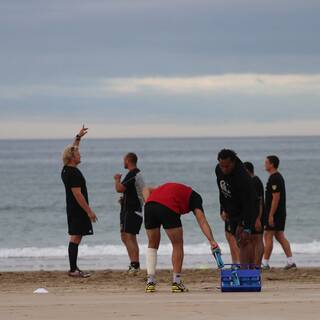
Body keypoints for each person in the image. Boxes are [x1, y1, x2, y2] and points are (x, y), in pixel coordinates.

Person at [143, 182, 219, 293]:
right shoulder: (196, 198)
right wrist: (212, 240)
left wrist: (148, 202)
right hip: (168, 206)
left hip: (150, 206)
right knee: (177, 244)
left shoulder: (171, 189)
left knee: (152, 244)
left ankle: (150, 282)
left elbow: (146, 189)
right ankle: (176, 283)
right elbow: (202, 221)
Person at [61, 126, 97, 277]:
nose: (80, 155)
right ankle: (73, 270)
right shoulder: (73, 173)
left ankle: (74, 268)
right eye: (78, 154)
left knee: (76, 236)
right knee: (75, 237)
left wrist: (78, 137)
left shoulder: (65, 169)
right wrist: (89, 211)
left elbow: (72, 148)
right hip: (77, 209)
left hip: (73, 208)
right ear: (72, 157)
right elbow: (77, 194)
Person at [215, 149, 258, 266]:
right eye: (221, 165)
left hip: (247, 208)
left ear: (233, 162)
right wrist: (223, 208)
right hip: (231, 209)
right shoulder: (218, 169)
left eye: (227, 166)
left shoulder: (242, 177)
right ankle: (246, 268)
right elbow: (222, 190)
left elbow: (249, 203)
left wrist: (245, 225)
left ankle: (247, 270)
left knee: (244, 238)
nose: (224, 169)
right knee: (237, 239)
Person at [262, 155, 296, 270]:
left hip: (275, 213)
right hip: (278, 213)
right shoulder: (275, 177)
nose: (265, 164)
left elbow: (276, 198)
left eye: (266, 162)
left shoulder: (275, 178)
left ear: (272, 164)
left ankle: (265, 263)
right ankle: (290, 261)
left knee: (268, 235)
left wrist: (271, 215)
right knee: (279, 236)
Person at [114, 153, 145, 274]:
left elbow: (119, 188)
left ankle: (135, 264)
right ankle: (134, 263)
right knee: (125, 236)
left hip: (133, 210)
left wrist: (117, 179)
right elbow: (131, 191)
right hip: (129, 209)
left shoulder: (134, 173)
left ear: (128, 160)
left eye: (124, 160)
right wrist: (124, 199)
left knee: (129, 236)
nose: (123, 162)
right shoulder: (135, 174)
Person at [244, 161, 265, 267]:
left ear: (247, 170)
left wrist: (258, 218)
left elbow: (260, 202)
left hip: (257, 215)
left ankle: (257, 264)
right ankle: (252, 264)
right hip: (250, 216)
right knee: (251, 239)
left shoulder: (256, 181)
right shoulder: (249, 181)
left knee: (258, 239)